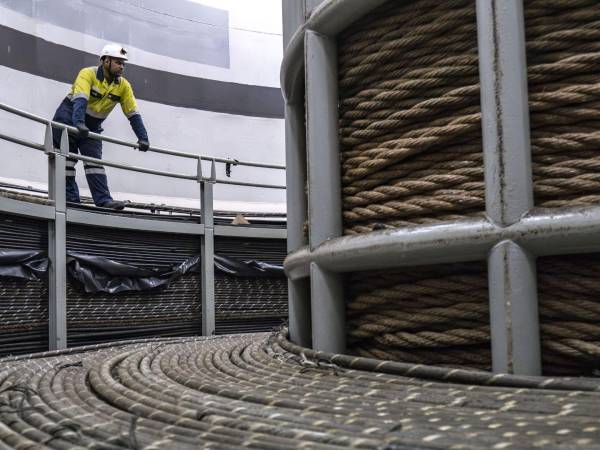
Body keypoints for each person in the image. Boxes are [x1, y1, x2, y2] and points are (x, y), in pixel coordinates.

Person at [52, 43, 150, 210]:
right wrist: (79, 124)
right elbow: (80, 99)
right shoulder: (87, 74)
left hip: (91, 128)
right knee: (67, 164)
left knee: (95, 165)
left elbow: (132, 113)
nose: (122, 67)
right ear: (105, 61)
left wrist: (143, 137)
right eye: (118, 62)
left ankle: (104, 201)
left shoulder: (123, 86)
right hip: (67, 121)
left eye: (123, 63)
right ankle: (72, 202)